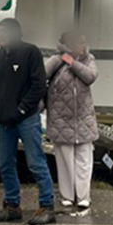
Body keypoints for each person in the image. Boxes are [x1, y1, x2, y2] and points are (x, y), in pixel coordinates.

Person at [0, 18, 56, 225]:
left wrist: (22, 109)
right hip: (5, 121)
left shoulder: (30, 52)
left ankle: (47, 206)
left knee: (36, 162)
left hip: (27, 119)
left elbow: (38, 86)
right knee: (5, 163)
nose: (1, 37)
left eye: (5, 33)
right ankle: (12, 205)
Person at [44, 31, 98, 210]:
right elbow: (40, 77)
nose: (84, 46)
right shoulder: (55, 60)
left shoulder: (88, 59)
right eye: (80, 42)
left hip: (83, 117)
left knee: (84, 158)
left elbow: (90, 76)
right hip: (61, 118)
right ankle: (67, 195)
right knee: (64, 159)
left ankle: (83, 196)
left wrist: (72, 62)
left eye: (84, 42)